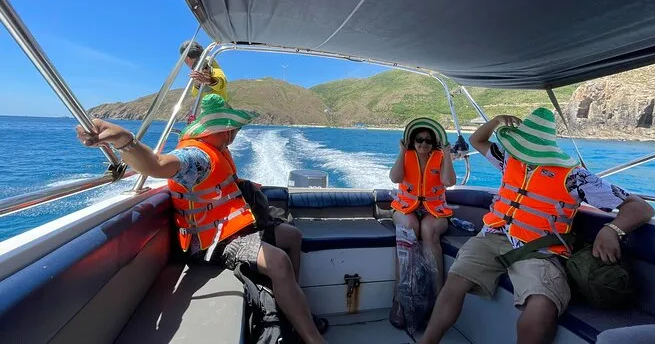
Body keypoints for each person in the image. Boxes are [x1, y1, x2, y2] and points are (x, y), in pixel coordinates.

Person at [76, 94, 327, 344]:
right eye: (234, 128)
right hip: (212, 243)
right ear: (226, 131)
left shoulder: (219, 151)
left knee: (293, 236)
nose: (235, 133)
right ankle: (312, 338)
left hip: (232, 229)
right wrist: (125, 141)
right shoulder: (197, 157)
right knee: (278, 261)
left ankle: (293, 310)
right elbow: (156, 165)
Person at [419, 108, 655, 344]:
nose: (522, 154)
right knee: (455, 283)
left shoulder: (574, 177)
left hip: (539, 249)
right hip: (492, 236)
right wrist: (497, 121)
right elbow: (477, 140)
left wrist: (612, 229)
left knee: (542, 307)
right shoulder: (509, 158)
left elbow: (640, 207)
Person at [388, 117, 456, 328]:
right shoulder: (406, 155)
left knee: (428, 230)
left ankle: (437, 301)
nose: (423, 144)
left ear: (434, 143)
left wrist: (447, 155)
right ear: (412, 141)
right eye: (419, 139)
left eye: (428, 140)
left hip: (434, 209)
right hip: (405, 207)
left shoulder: (440, 157)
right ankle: (400, 299)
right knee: (408, 229)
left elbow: (448, 181)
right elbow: (395, 178)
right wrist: (402, 152)